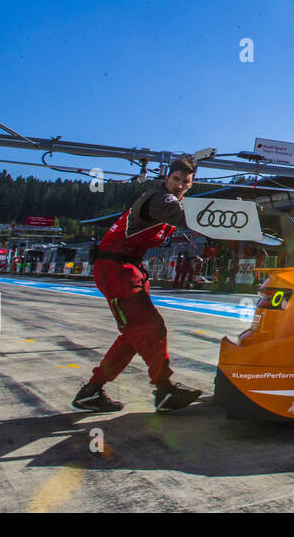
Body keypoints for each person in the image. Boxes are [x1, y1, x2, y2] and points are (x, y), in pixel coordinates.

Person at [72, 156, 205, 414]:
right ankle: (164, 389)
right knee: (150, 327)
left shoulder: (173, 199)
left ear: (191, 184)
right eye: (175, 179)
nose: (179, 185)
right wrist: (228, 221)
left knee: (134, 335)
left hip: (128, 268)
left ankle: (91, 391)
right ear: (167, 178)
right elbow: (180, 215)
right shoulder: (160, 199)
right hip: (116, 268)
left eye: (185, 182)